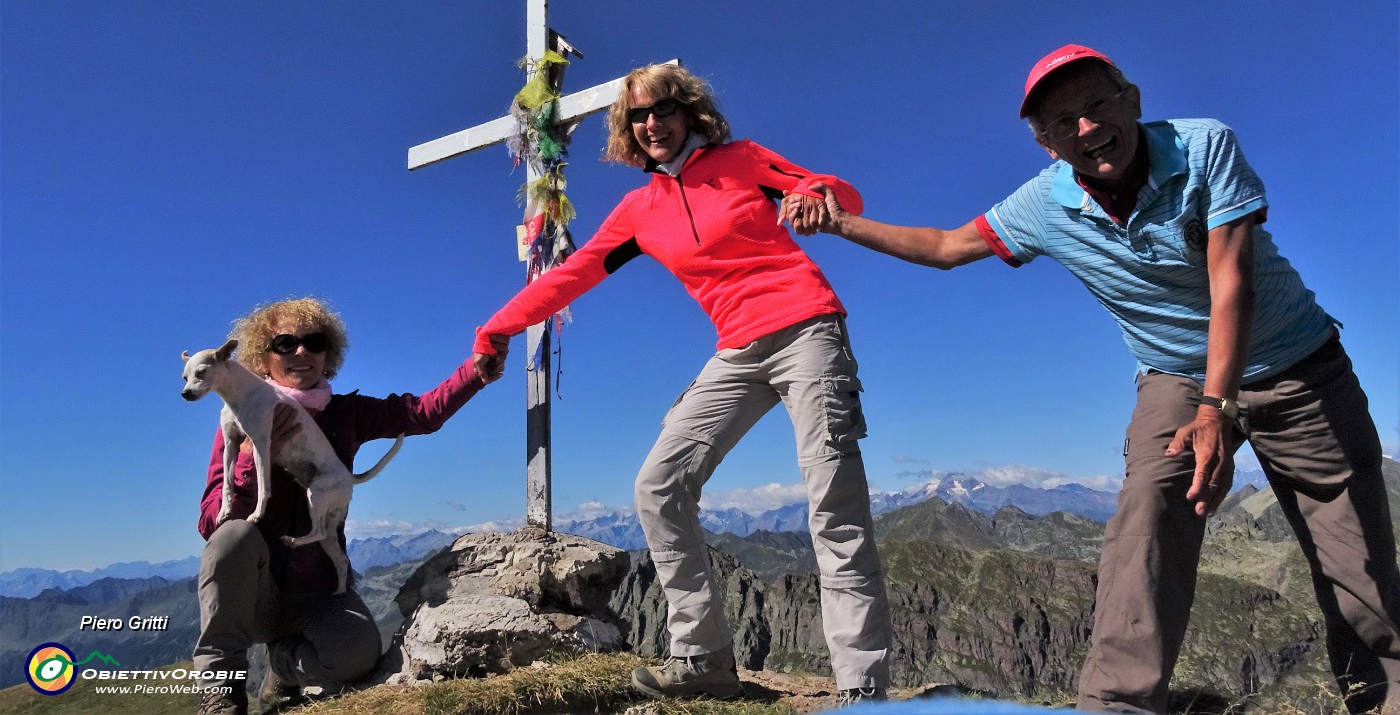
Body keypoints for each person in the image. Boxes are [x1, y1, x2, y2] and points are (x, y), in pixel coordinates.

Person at [784, 44, 1400, 713]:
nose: (1085, 127)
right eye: (1061, 122)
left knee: (1355, 557)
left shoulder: (1203, 146)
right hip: (1174, 373)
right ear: (1045, 143)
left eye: (1097, 105)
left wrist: (1217, 408)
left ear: (1132, 100)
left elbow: (1232, 282)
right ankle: (1116, 703)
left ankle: (1385, 697)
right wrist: (840, 222)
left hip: (1297, 363)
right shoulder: (1044, 205)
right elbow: (944, 247)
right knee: (1146, 519)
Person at [472, 63, 892, 704]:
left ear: (688, 111)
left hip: (807, 329)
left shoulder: (744, 160)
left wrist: (815, 194)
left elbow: (837, 195)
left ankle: (861, 687)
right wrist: (497, 327)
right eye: (638, 116)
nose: (651, 124)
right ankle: (703, 659)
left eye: (662, 109)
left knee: (832, 503)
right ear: (628, 130)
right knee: (658, 485)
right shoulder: (640, 210)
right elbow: (572, 275)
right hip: (735, 351)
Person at [193, 297, 491, 715]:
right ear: (262, 359)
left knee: (356, 656)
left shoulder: (346, 413)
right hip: (256, 596)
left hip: (318, 593)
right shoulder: (238, 419)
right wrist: (247, 459)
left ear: (328, 354)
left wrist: (475, 373)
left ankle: (281, 666)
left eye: (314, 342)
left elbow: (421, 414)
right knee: (231, 537)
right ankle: (221, 691)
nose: (301, 352)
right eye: (285, 343)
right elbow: (210, 520)